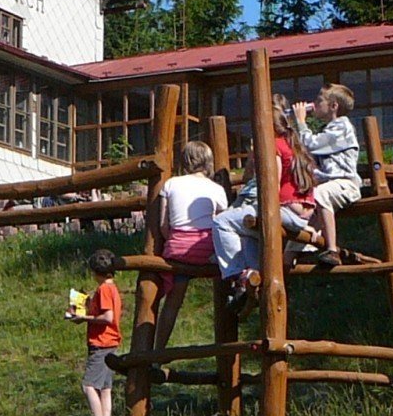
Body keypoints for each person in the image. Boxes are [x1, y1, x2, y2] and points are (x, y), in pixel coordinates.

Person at [212, 97, 326, 304]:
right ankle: (254, 275)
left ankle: (237, 273)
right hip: (301, 213)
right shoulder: (295, 145)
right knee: (246, 232)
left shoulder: (273, 146)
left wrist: (262, 207)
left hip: (283, 209)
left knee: (222, 221)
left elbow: (271, 182)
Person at [152, 140, 227, 350]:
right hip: (207, 248)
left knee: (172, 303)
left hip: (178, 249)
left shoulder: (171, 184)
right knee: (222, 293)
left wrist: (174, 240)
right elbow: (223, 224)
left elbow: (163, 225)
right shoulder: (216, 189)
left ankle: (159, 349)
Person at [65, 251, 122, 416]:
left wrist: (84, 318)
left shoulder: (103, 290)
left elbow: (108, 317)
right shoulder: (111, 288)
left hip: (101, 342)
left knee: (88, 385)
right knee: (105, 388)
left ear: (96, 272)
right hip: (111, 341)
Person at [300, 84, 361, 260]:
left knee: (320, 194)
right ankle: (287, 261)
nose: (314, 104)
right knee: (302, 217)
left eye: (319, 100)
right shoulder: (328, 130)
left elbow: (310, 144)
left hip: (345, 184)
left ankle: (332, 249)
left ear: (334, 106)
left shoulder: (342, 128)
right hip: (329, 185)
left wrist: (301, 122)